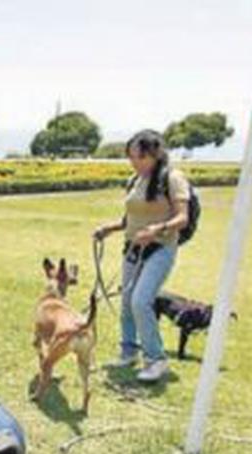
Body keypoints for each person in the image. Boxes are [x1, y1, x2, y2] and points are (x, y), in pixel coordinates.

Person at [93, 129, 191, 383]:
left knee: (140, 300)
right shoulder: (135, 180)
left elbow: (182, 218)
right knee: (126, 301)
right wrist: (109, 229)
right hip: (133, 249)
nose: (134, 163)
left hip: (160, 249)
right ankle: (128, 351)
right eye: (131, 157)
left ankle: (156, 359)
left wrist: (156, 230)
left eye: (139, 157)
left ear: (155, 154)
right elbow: (132, 219)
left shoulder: (173, 178)